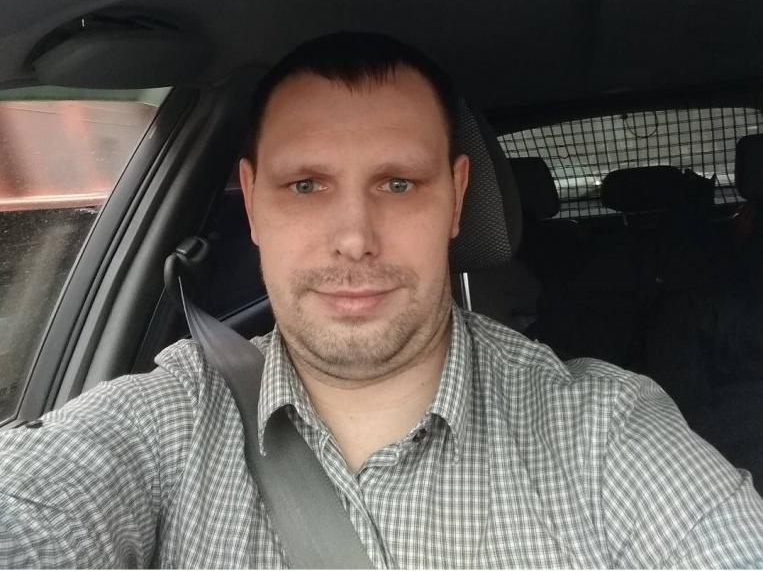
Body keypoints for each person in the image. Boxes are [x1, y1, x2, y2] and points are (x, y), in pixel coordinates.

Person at [1, 31, 763, 569]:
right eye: (306, 186)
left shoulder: (599, 432)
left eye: (397, 184)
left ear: (456, 200)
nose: (354, 239)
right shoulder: (165, 420)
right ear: (253, 204)